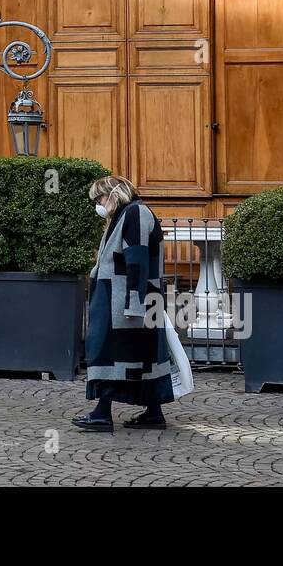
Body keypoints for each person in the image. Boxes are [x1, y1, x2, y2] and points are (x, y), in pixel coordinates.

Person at [72, 176, 174, 432]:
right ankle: (153, 412)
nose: (98, 203)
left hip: (123, 301)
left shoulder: (134, 214)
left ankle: (102, 413)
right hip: (123, 298)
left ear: (114, 194)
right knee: (139, 356)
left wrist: (134, 303)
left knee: (113, 354)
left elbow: (136, 261)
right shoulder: (128, 215)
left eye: (100, 198)